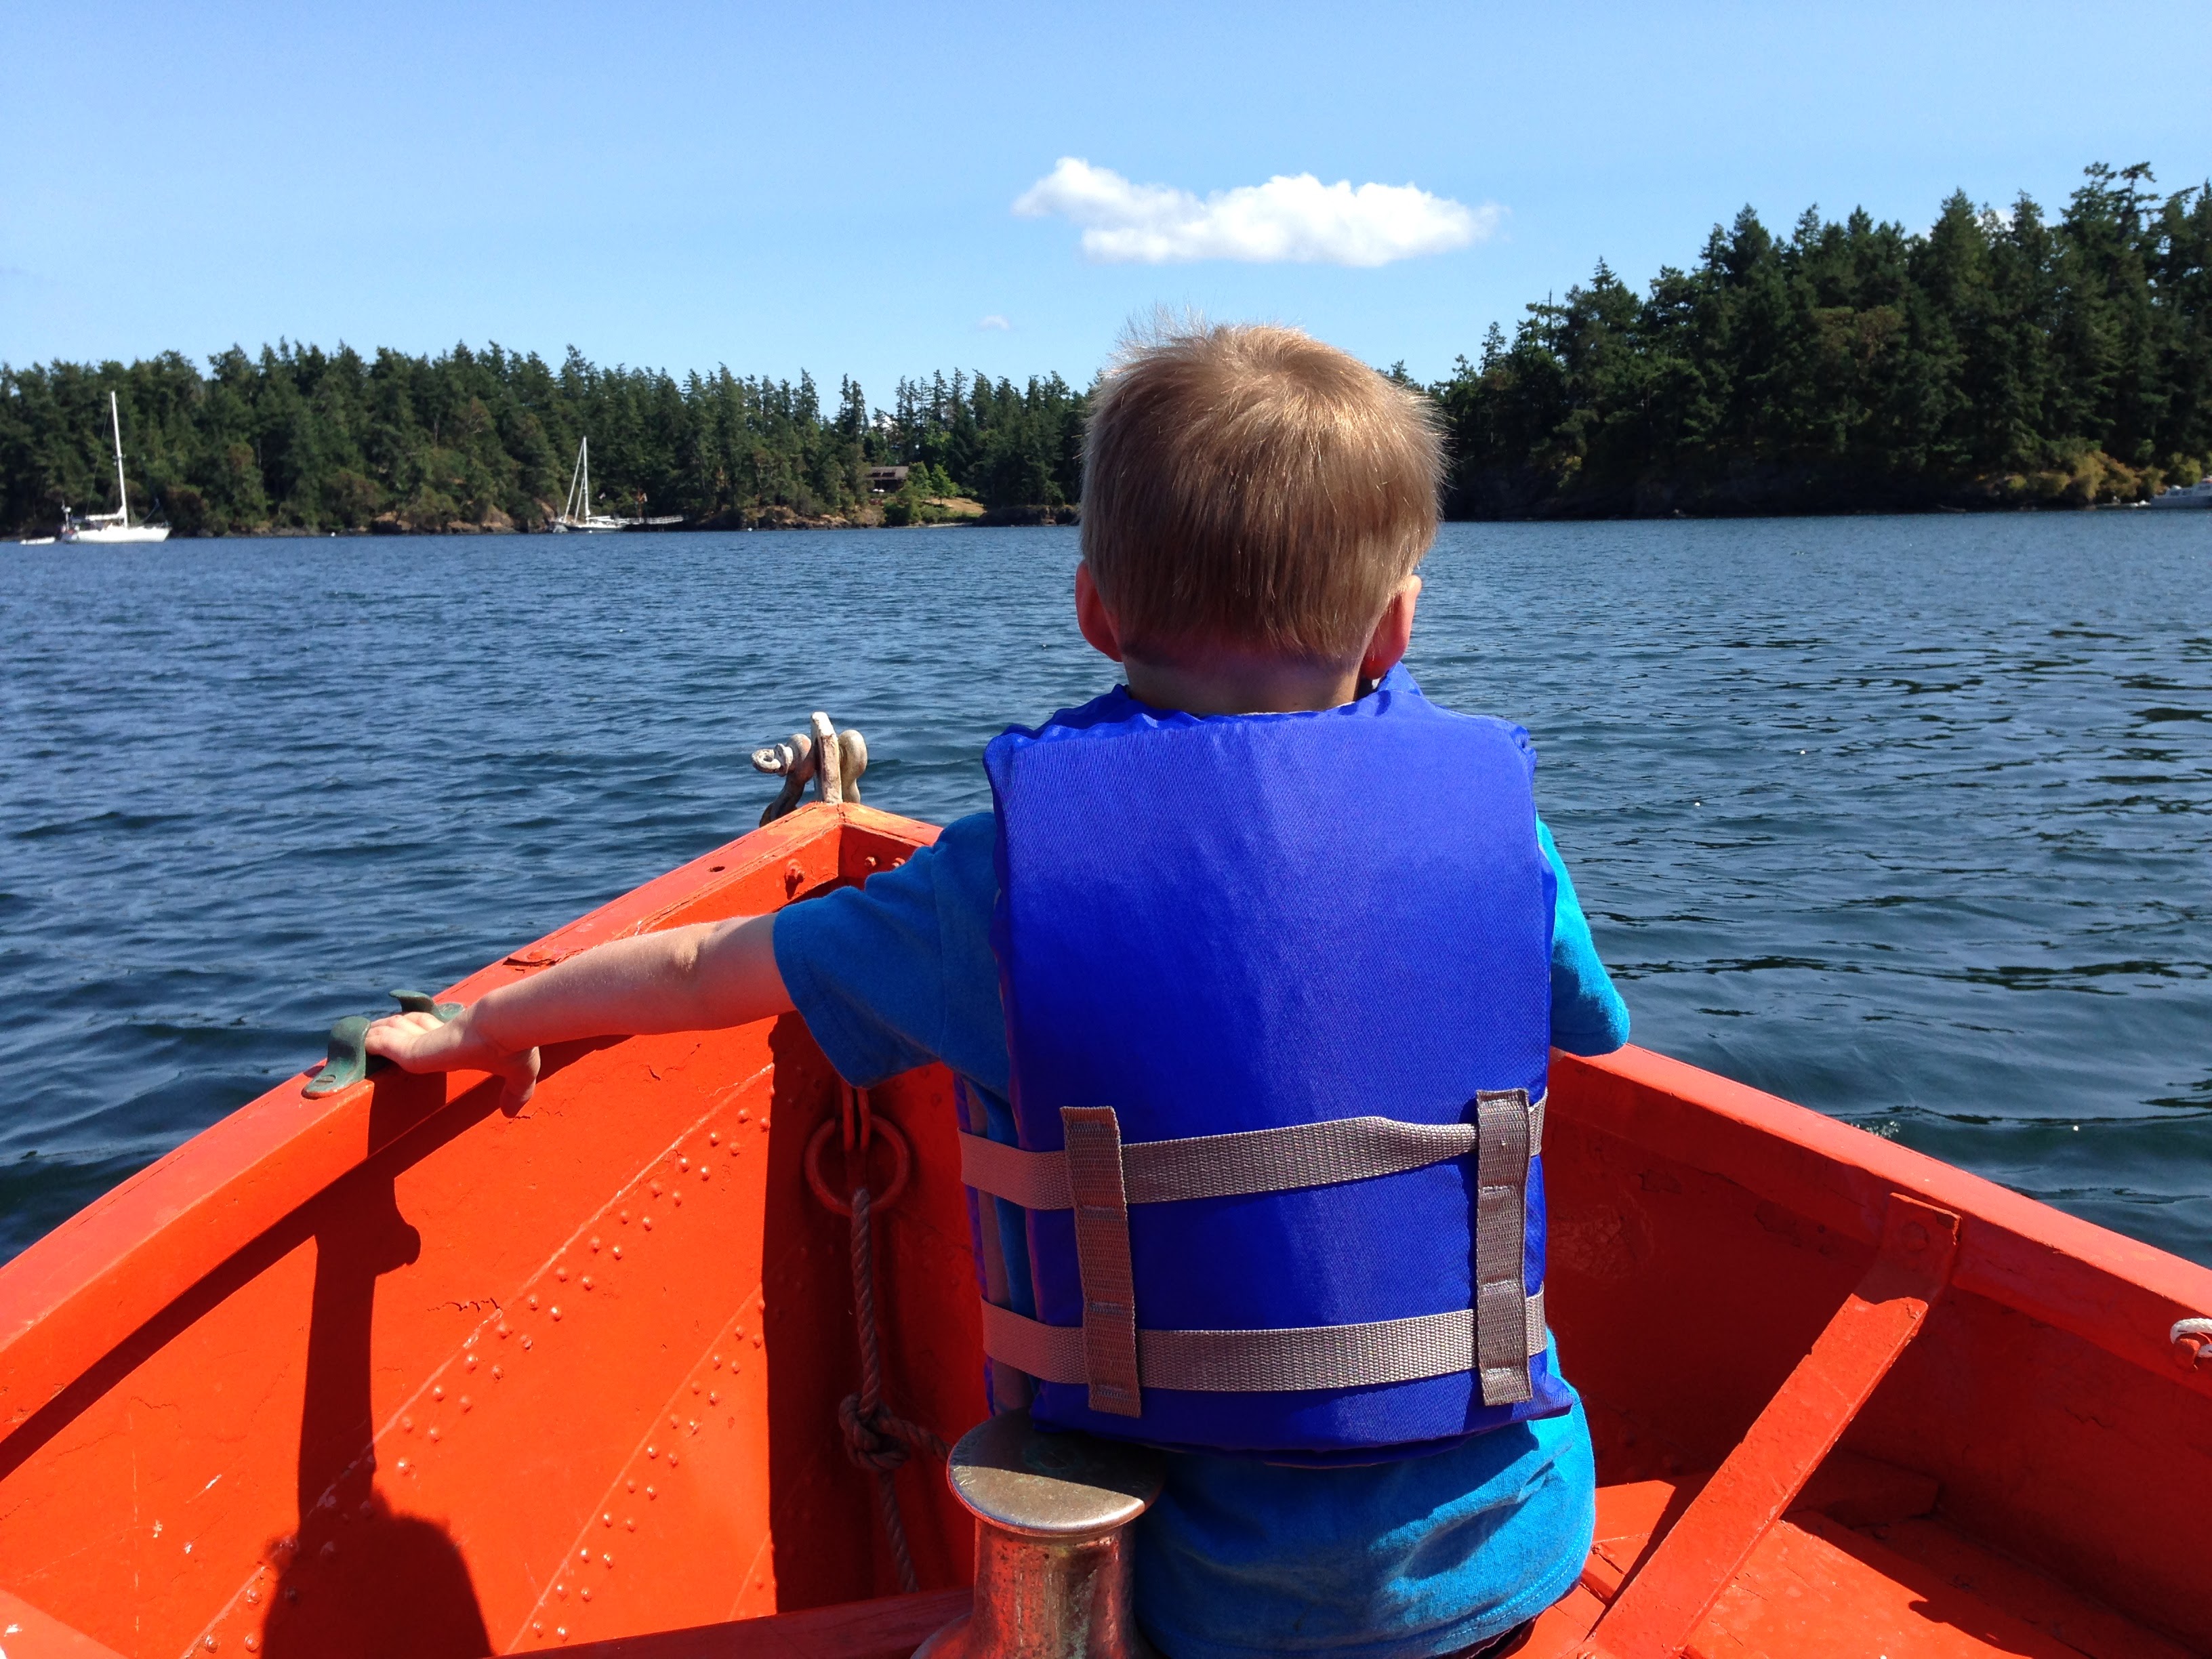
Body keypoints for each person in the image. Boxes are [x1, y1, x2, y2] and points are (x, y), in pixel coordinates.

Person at [369, 322, 1631, 1659]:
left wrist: (486, 1021)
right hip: (1503, 1559)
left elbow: (703, 969)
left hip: (1191, 1604)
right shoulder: (1506, 838)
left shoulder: (1002, 887)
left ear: (1094, 610)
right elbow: (1590, 1023)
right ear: (1397, 624)